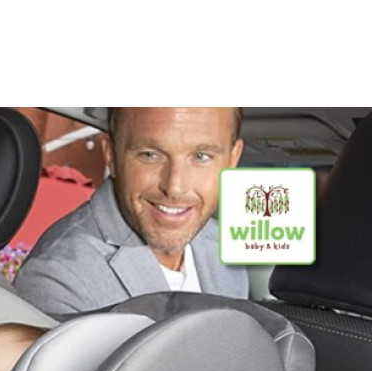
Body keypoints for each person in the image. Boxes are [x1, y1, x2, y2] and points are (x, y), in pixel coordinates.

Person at [14, 108, 248, 316]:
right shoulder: (59, 277)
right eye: (150, 154)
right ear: (111, 155)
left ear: (232, 159)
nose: (175, 187)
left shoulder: (225, 249)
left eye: (201, 156)